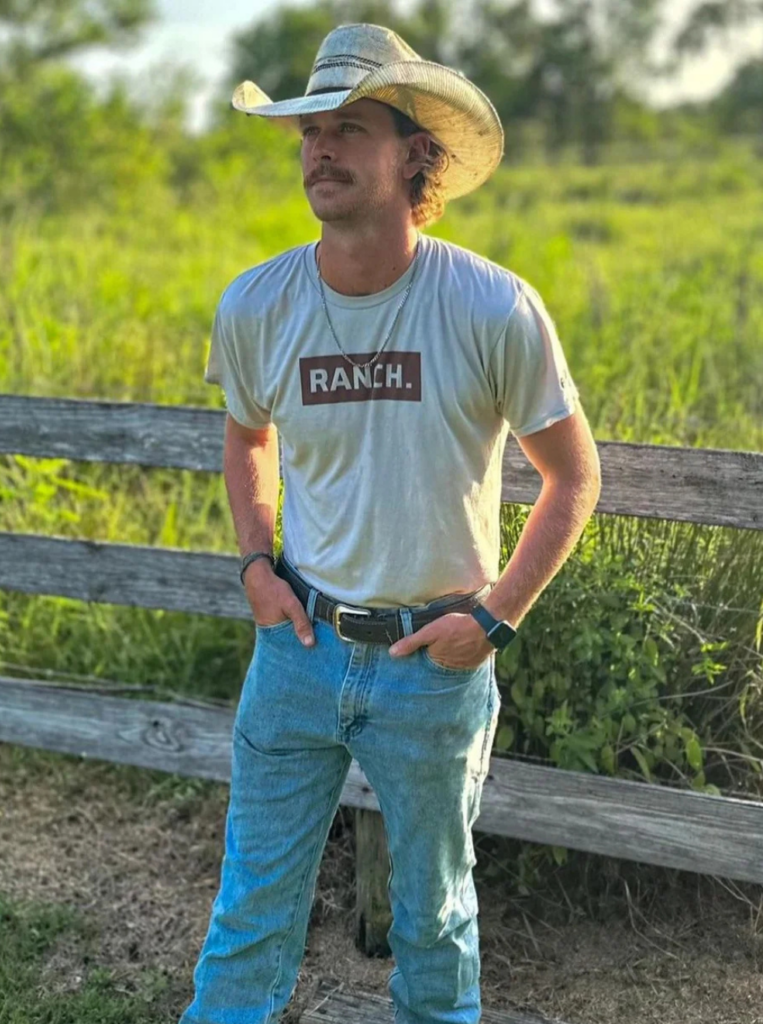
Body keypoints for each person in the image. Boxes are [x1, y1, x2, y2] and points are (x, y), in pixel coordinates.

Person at [179, 21, 601, 1024]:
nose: (320, 148)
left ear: (416, 152)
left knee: (437, 920)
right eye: (308, 130)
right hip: (299, 647)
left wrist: (493, 619)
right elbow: (248, 441)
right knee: (250, 912)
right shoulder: (257, 304)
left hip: (434, 662)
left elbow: (574, 477)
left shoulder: (492, 308)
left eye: (348, 126)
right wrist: (255, 565)